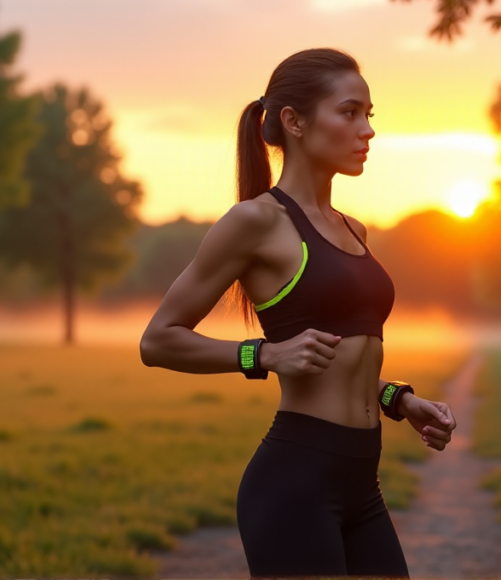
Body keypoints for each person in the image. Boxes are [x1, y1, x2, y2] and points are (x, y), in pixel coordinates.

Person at [140, 47, 457, 579]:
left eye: (369, 116)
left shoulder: (355, 229)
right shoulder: (254, 222)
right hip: (295, 484)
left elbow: (342, 356)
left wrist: (398, 399)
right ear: (294, 122)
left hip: (363, 486)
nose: (367, 131)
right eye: (349, 112)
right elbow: (158, 340)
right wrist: (263, 354)